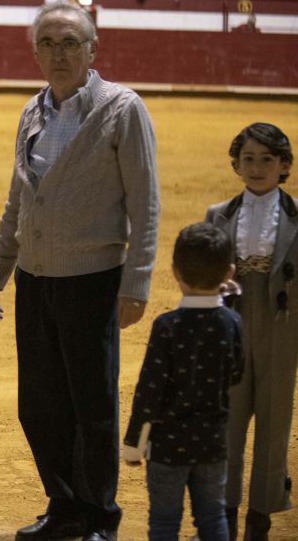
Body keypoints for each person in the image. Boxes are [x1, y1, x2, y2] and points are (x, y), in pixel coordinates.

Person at [0, 0, 160, 541]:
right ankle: (64, 507)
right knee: (39, 405)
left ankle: (99, 515)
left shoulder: (122, 109)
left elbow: (144, 203)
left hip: (94, 278)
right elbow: (18, 200)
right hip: (35, 277)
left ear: (92, 50)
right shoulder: (32, 112)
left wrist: (137, 283)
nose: (59, 54)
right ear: (35, 53)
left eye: (70, 43)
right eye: (48, 44)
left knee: (92, 407)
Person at [123, 223, 244, 540]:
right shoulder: (232, 322)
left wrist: (134, 445)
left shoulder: (167, 326)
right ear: (228, 272)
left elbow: (149, 392)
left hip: (167, 448)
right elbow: (237, 373)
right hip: (212, 444)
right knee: (213, 517)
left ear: (175, 271)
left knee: (164, 522)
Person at [205, 123, 297, 541]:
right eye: (249, 159)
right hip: (232, 323)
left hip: (283, 327)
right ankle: (222, 515)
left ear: (283, 166)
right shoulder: (217, 214)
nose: (257, 167)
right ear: (236, 165)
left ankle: (258, 517)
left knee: (274, 423)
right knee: (228, 419)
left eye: (267, 159)